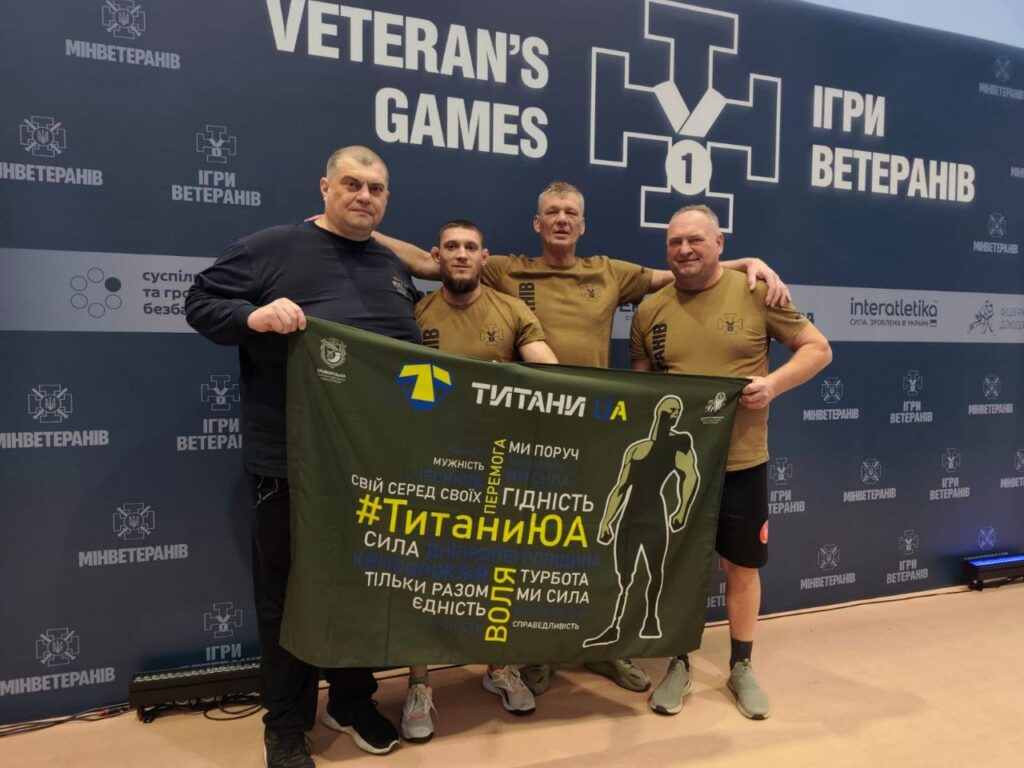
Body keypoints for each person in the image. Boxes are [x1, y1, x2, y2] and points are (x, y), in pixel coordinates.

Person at [377, 181, 791, 696]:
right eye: (552, 212)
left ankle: (605, 649)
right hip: (532, 434)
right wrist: (364, 232)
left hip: (597, 434)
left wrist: (747, 262)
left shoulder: (610, 272)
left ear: (582, 223)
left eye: (570, 212)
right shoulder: (503, 269)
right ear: (538, 223)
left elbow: (684, 268)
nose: (561, 220)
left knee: (597, 549)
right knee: (540, 551)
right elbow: (430, 262)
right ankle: (543, 653)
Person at [185, 146, 415, 766]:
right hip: (290, 464)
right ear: (325, 188)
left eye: (376, 188)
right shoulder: (271, 247)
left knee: (362, 589)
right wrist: (253, 316)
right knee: (287, 601)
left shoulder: (392, 266)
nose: (364, 196)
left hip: (371, 466)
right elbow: (199, 302)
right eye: (352, 184)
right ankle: (286, 726)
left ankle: (352, 700)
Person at [630, 204, 832, 720]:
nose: (684, 250)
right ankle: (679, 662)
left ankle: (741, 665)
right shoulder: (649, 311)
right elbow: (642, 387)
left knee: (741, 567)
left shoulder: (757, 291)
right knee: (677, 567)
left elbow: (817, 349)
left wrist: (773, 384)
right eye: (675, 242)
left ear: (719, 243)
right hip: (676, 469)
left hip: (742, 461)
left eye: (695, 239)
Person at [401, 219, 558, 743]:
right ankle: (419, 683)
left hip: (496, 464)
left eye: (471, 247)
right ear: (437, 256)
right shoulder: (415, 312)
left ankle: (498, 667)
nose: (462, 254)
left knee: (496, 571)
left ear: (484, 257)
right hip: (429, 463)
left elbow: (548, 370)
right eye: (452, 246)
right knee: (425, 575)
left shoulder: (512, 310)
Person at [583, 395, 698, 648]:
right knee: (624, 574)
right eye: (669, 410)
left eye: (676, 412)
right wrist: (607, 520)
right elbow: (620, 487)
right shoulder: (636, 449)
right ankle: (615, 625)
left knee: (654, 569)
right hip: (629, 516)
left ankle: (650, 619)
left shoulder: (678, 444)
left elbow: (690, 476)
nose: (672, 415)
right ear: (658, 412)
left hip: (655, 514)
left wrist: (682, 509)